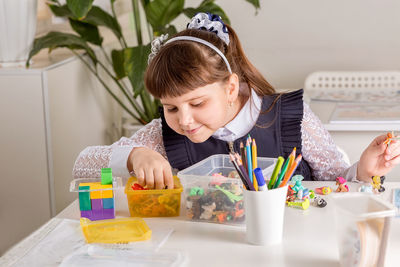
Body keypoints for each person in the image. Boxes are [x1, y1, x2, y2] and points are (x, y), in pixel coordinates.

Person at [73, 13, 400, 189]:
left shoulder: (291, 118)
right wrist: (134, 154)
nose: (184, 120)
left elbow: (338, 180)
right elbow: (82, 166)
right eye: (170, 107)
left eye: (197, 104)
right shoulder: (163, 133)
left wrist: (364, 171)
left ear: (231, 88)